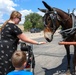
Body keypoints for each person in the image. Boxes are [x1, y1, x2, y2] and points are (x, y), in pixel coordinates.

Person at [0, 11, 46, 75]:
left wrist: (18, 41)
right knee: (10, 67)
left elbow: (9, 38)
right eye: (19, 18)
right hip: (9, 50)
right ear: (15, 17)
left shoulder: (5, 26)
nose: (20, 21)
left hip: (1, 50)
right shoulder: (13, 27)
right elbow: (25, 38)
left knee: (3, 67)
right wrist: (37, 42)